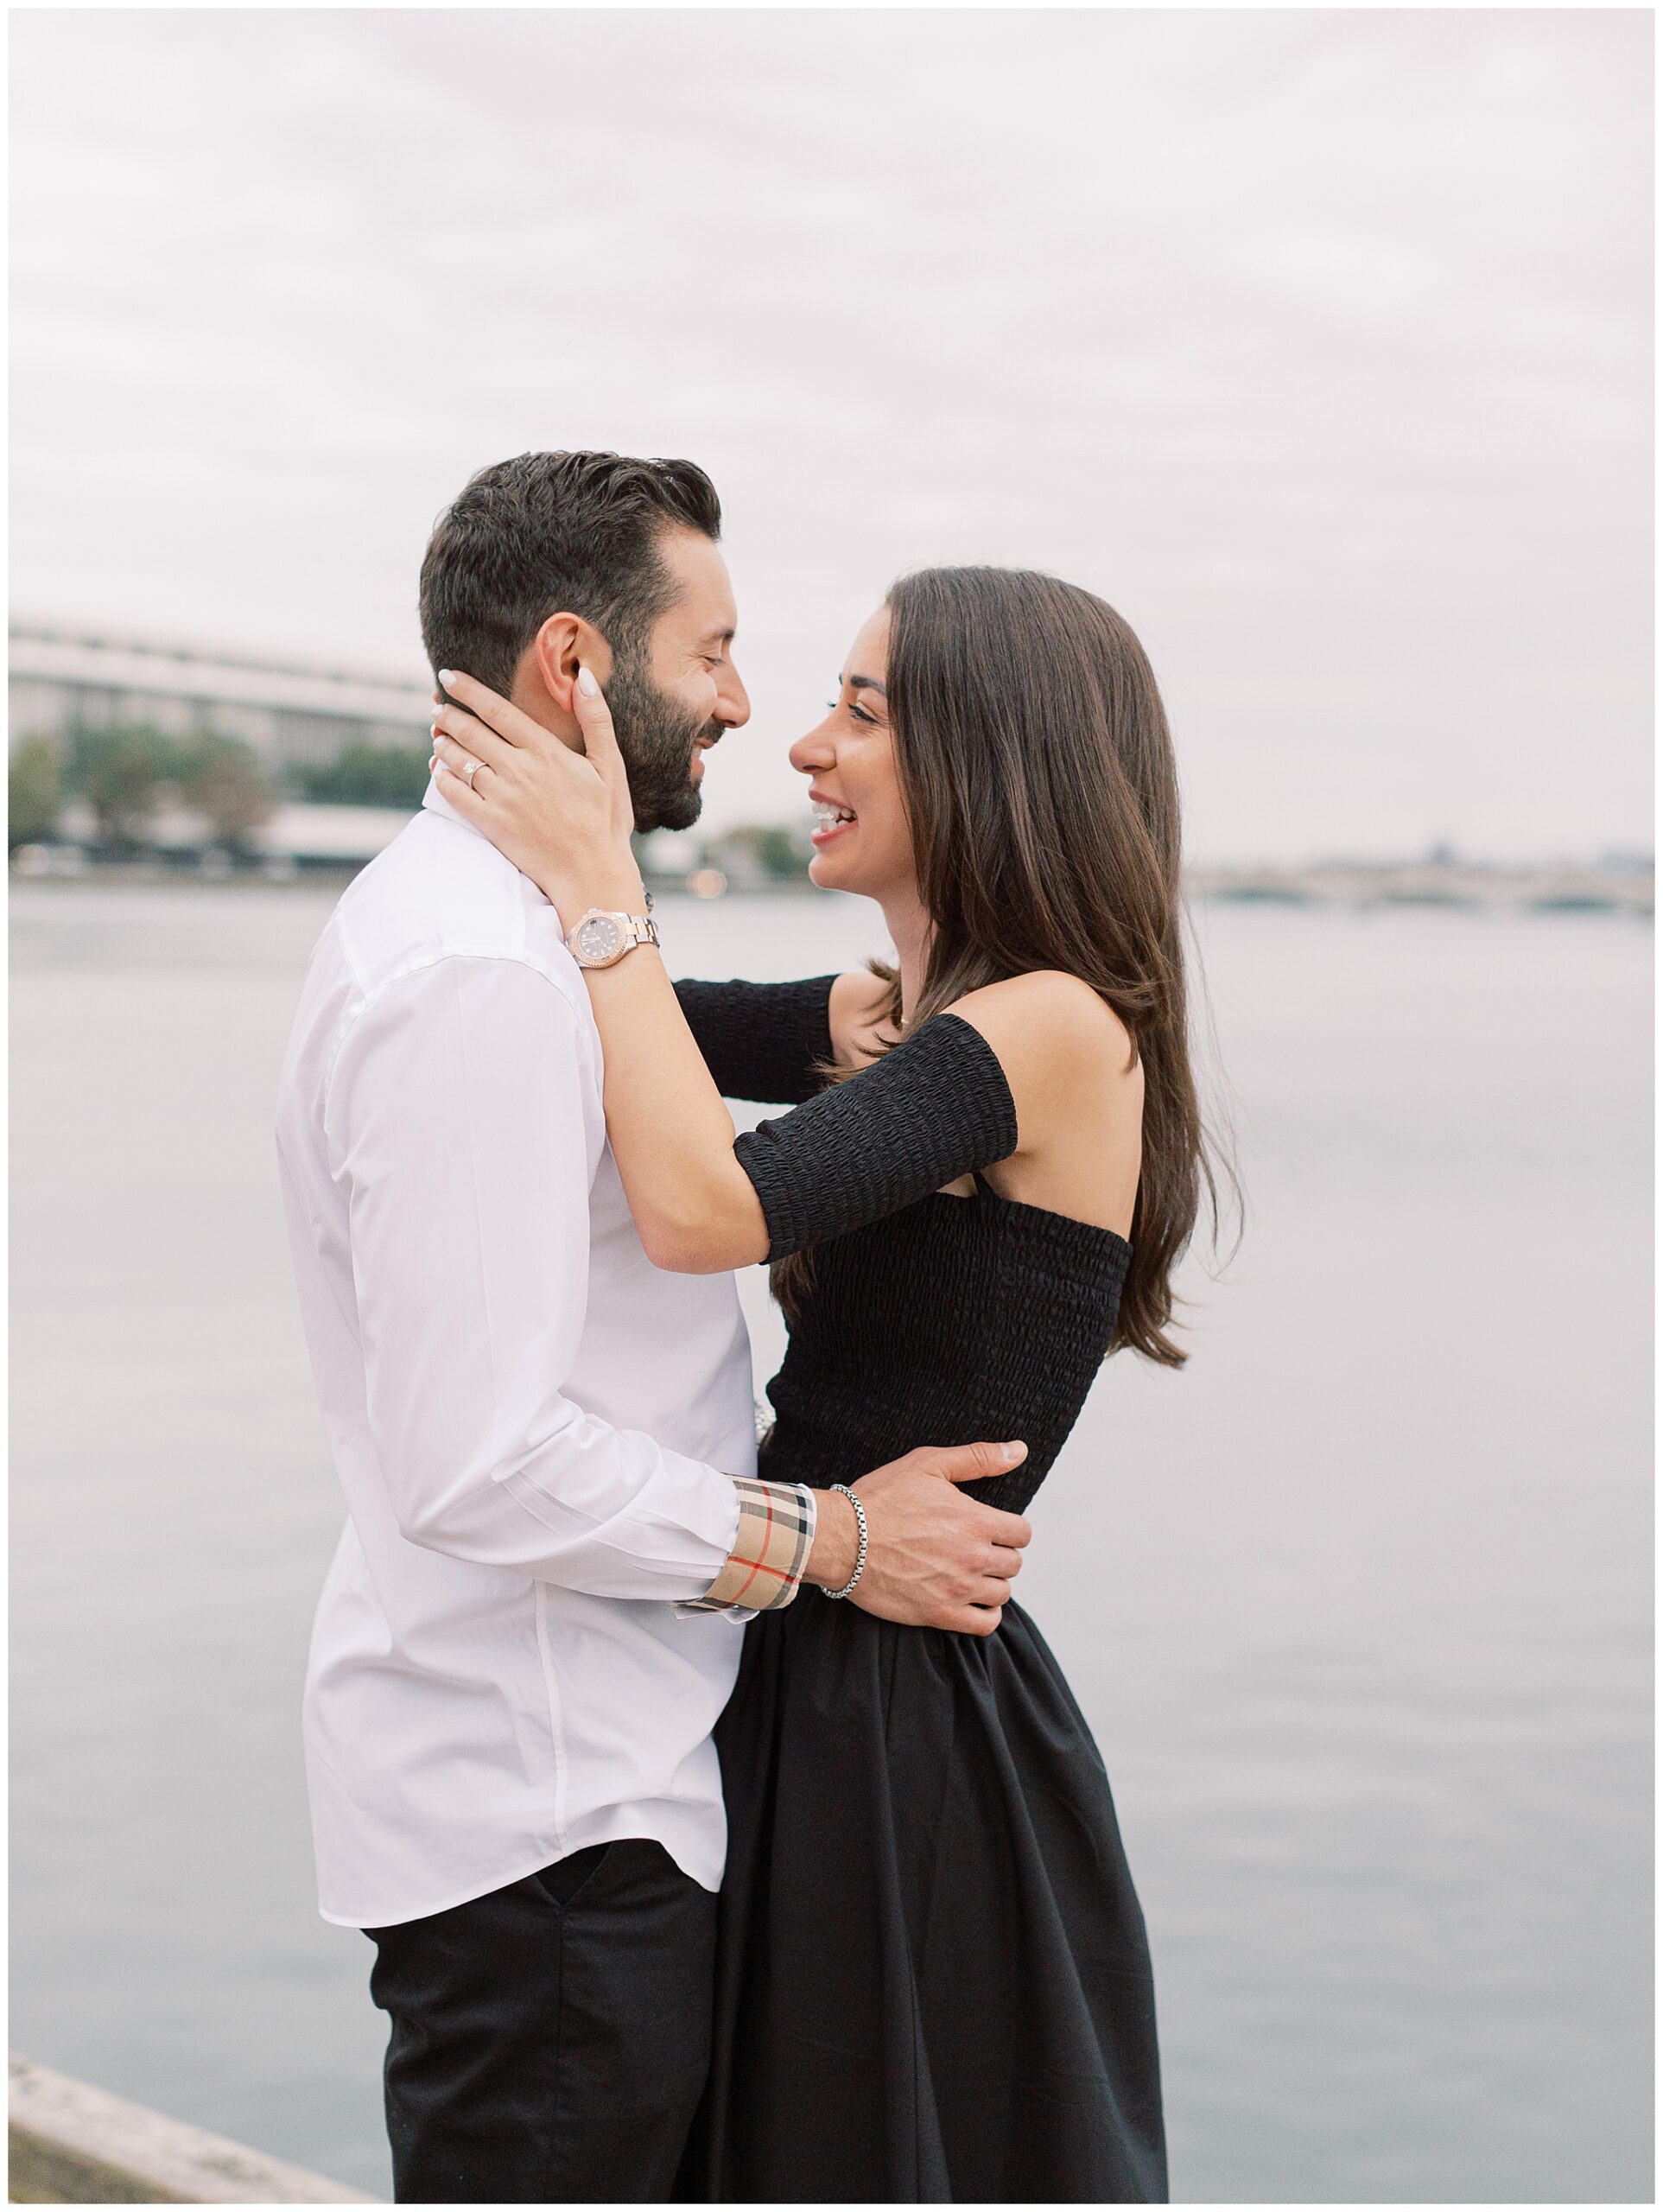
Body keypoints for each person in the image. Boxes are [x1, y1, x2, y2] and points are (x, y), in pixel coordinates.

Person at [275, 452, 1038, 2206]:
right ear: (576, 668)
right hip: (550, 1817)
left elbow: (646, 1025)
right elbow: (473, 1460)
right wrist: (835, 1538)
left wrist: (838, 1025)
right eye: (715, 652)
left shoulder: (502, 937)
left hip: (576, 1785)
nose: (744, 704)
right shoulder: (476, 973)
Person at [428, 558, 1217, 2202]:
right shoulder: (927, 1025)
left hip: (896, 1722)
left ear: (991, 755)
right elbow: (621, 1029)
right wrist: (558, 892)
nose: (800, 746)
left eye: (859, 711)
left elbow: (700, 1206)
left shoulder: (1053, 1028)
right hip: (819, 1657)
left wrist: (600, 889)